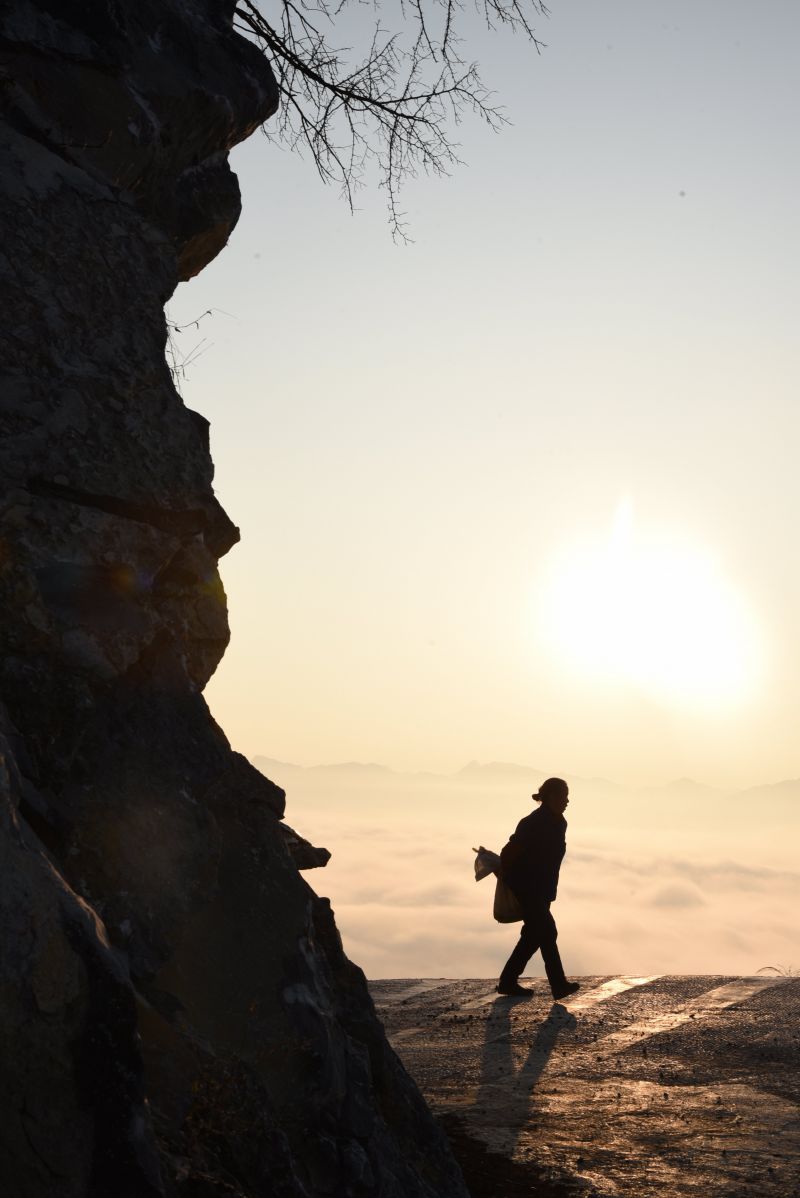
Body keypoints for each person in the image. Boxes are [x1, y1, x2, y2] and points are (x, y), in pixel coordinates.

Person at [496, 777, 580, 1000]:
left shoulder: (559, 822)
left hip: (543, 888)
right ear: (550, 797)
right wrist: (505, 874)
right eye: (563, 796)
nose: (567, 801)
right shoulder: (532, 823)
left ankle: (507, 981)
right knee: (548, 931)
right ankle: (558, 984)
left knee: (533, 935)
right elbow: (509, 852)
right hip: (527, 887)